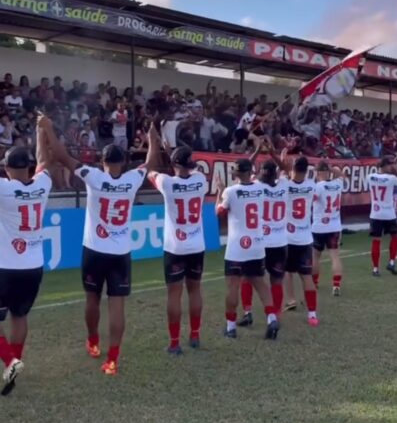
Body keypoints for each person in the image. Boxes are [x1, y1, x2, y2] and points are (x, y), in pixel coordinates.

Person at [40, 121, 156, 376]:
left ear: (102, 161)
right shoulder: (132, 179)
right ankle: (113, 359)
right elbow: (151, 162)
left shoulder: (94, 176)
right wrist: (152, 138)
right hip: (121, 252)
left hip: (94, 249)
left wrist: (47, 129)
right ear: (123, 162)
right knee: (117, 305)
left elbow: (61, 155)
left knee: (92, 298)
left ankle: (93, 341)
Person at [0, 115, 52, 396]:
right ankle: (14, 368)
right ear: (29, 167)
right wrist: (41, 131)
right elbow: (44, 160)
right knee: (19, 316)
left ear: (7, 168)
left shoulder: (4, 189)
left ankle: (10, 361)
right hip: (33, 266)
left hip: (5, 266)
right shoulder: (42, 185)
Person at [147, 143, 208, 354]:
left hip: (175, 247)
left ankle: (174, 342)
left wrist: (156, 147)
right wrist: (172, 158)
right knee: (195, 291)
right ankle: (195, 335)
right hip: (197, 245)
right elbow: (187, 172)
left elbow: (150, 170)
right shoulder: (200, 180)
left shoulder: (166, 182)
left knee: (174, 294)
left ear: (174, 164)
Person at [215, 159, 279, 340]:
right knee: (261, 284)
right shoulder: (260, 188)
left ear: (236, 173)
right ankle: (272, 318)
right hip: (257, 244)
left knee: (232, 286)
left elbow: (219, 213)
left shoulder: (230, 191)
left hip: (237, 247)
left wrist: (220, 191)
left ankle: (231, 327)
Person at [238, 142, 288, 326]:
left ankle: (247, 312)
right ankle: (276, 316)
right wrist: (276, 156)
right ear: (275, 173)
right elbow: (286, 169)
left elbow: (244, 168)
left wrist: (258, 151)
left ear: (260, 172)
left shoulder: (256, 186)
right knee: (276, 281)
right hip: (279, 242)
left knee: (247, 277)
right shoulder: (284, 185)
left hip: (259, 242)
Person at [284, 156, 319, 326]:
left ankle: (290, 299)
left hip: (288, 238)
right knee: (306, 277)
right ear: (306, 171)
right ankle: (312, 314)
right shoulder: (312, 186)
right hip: (305, 238)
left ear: (293, 168)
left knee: (287, 272)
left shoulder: (285, 185)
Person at [311, 161, 345, 296]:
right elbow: (342, 175)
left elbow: (310, 201)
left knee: (315, 256)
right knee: (335, 257)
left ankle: (314, 282)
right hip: (334, 226)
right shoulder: (338, 183)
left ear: (318, 172)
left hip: (319, 226)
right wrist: (331, 168)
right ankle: (336, 285)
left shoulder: (318, 187)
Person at [367, 157, 397, 277]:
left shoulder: (370, 177)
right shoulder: (391, 178)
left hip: (375, 213)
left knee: (376, 241)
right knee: (395, 237)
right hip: (389, 214)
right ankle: (391, 262)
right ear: (386, 166)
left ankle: (375, 269)